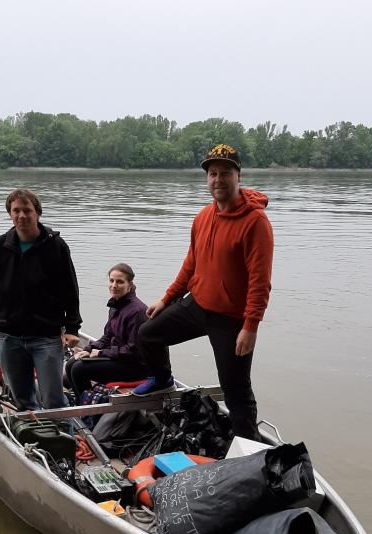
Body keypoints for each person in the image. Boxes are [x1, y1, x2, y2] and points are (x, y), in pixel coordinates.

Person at [132, 144, 274, 441]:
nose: (218, 179)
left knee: (236, 390)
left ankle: (249, 450)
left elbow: (260, 282)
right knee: (148, 334)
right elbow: (191, 265)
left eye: (225, 173)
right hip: (196, 305)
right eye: (212, 173)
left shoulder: (256, 222)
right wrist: (166, 299)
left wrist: (250, 327)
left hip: (231, 319)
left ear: (239, 175)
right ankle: (162, 381)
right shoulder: (202, 217)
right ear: (206, 178)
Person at [0, 188, 81, 410]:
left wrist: (72, 327)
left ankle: (67, 440)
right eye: (16, 211)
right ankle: (35, 440)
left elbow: (69, 290)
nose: (21, 216)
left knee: (53, 399)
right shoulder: (0, 245)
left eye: (27, 210)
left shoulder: (56, 246)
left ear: (37, 214)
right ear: (10, 214)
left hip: (46, 337)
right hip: (10, 336)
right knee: (22, 399)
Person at [65, 263, 149, 399]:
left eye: (120, 282)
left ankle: (89, 412)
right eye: (111, 280)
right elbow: (108, 336)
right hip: (120, 358)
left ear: (130, 284)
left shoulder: (138, 311)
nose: (114, 285)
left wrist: (101, 353)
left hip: (135, 366)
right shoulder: (116, 305)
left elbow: (133, 351)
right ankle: (83, 402)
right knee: (70, 364)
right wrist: (89, 348)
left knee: (79, 369)